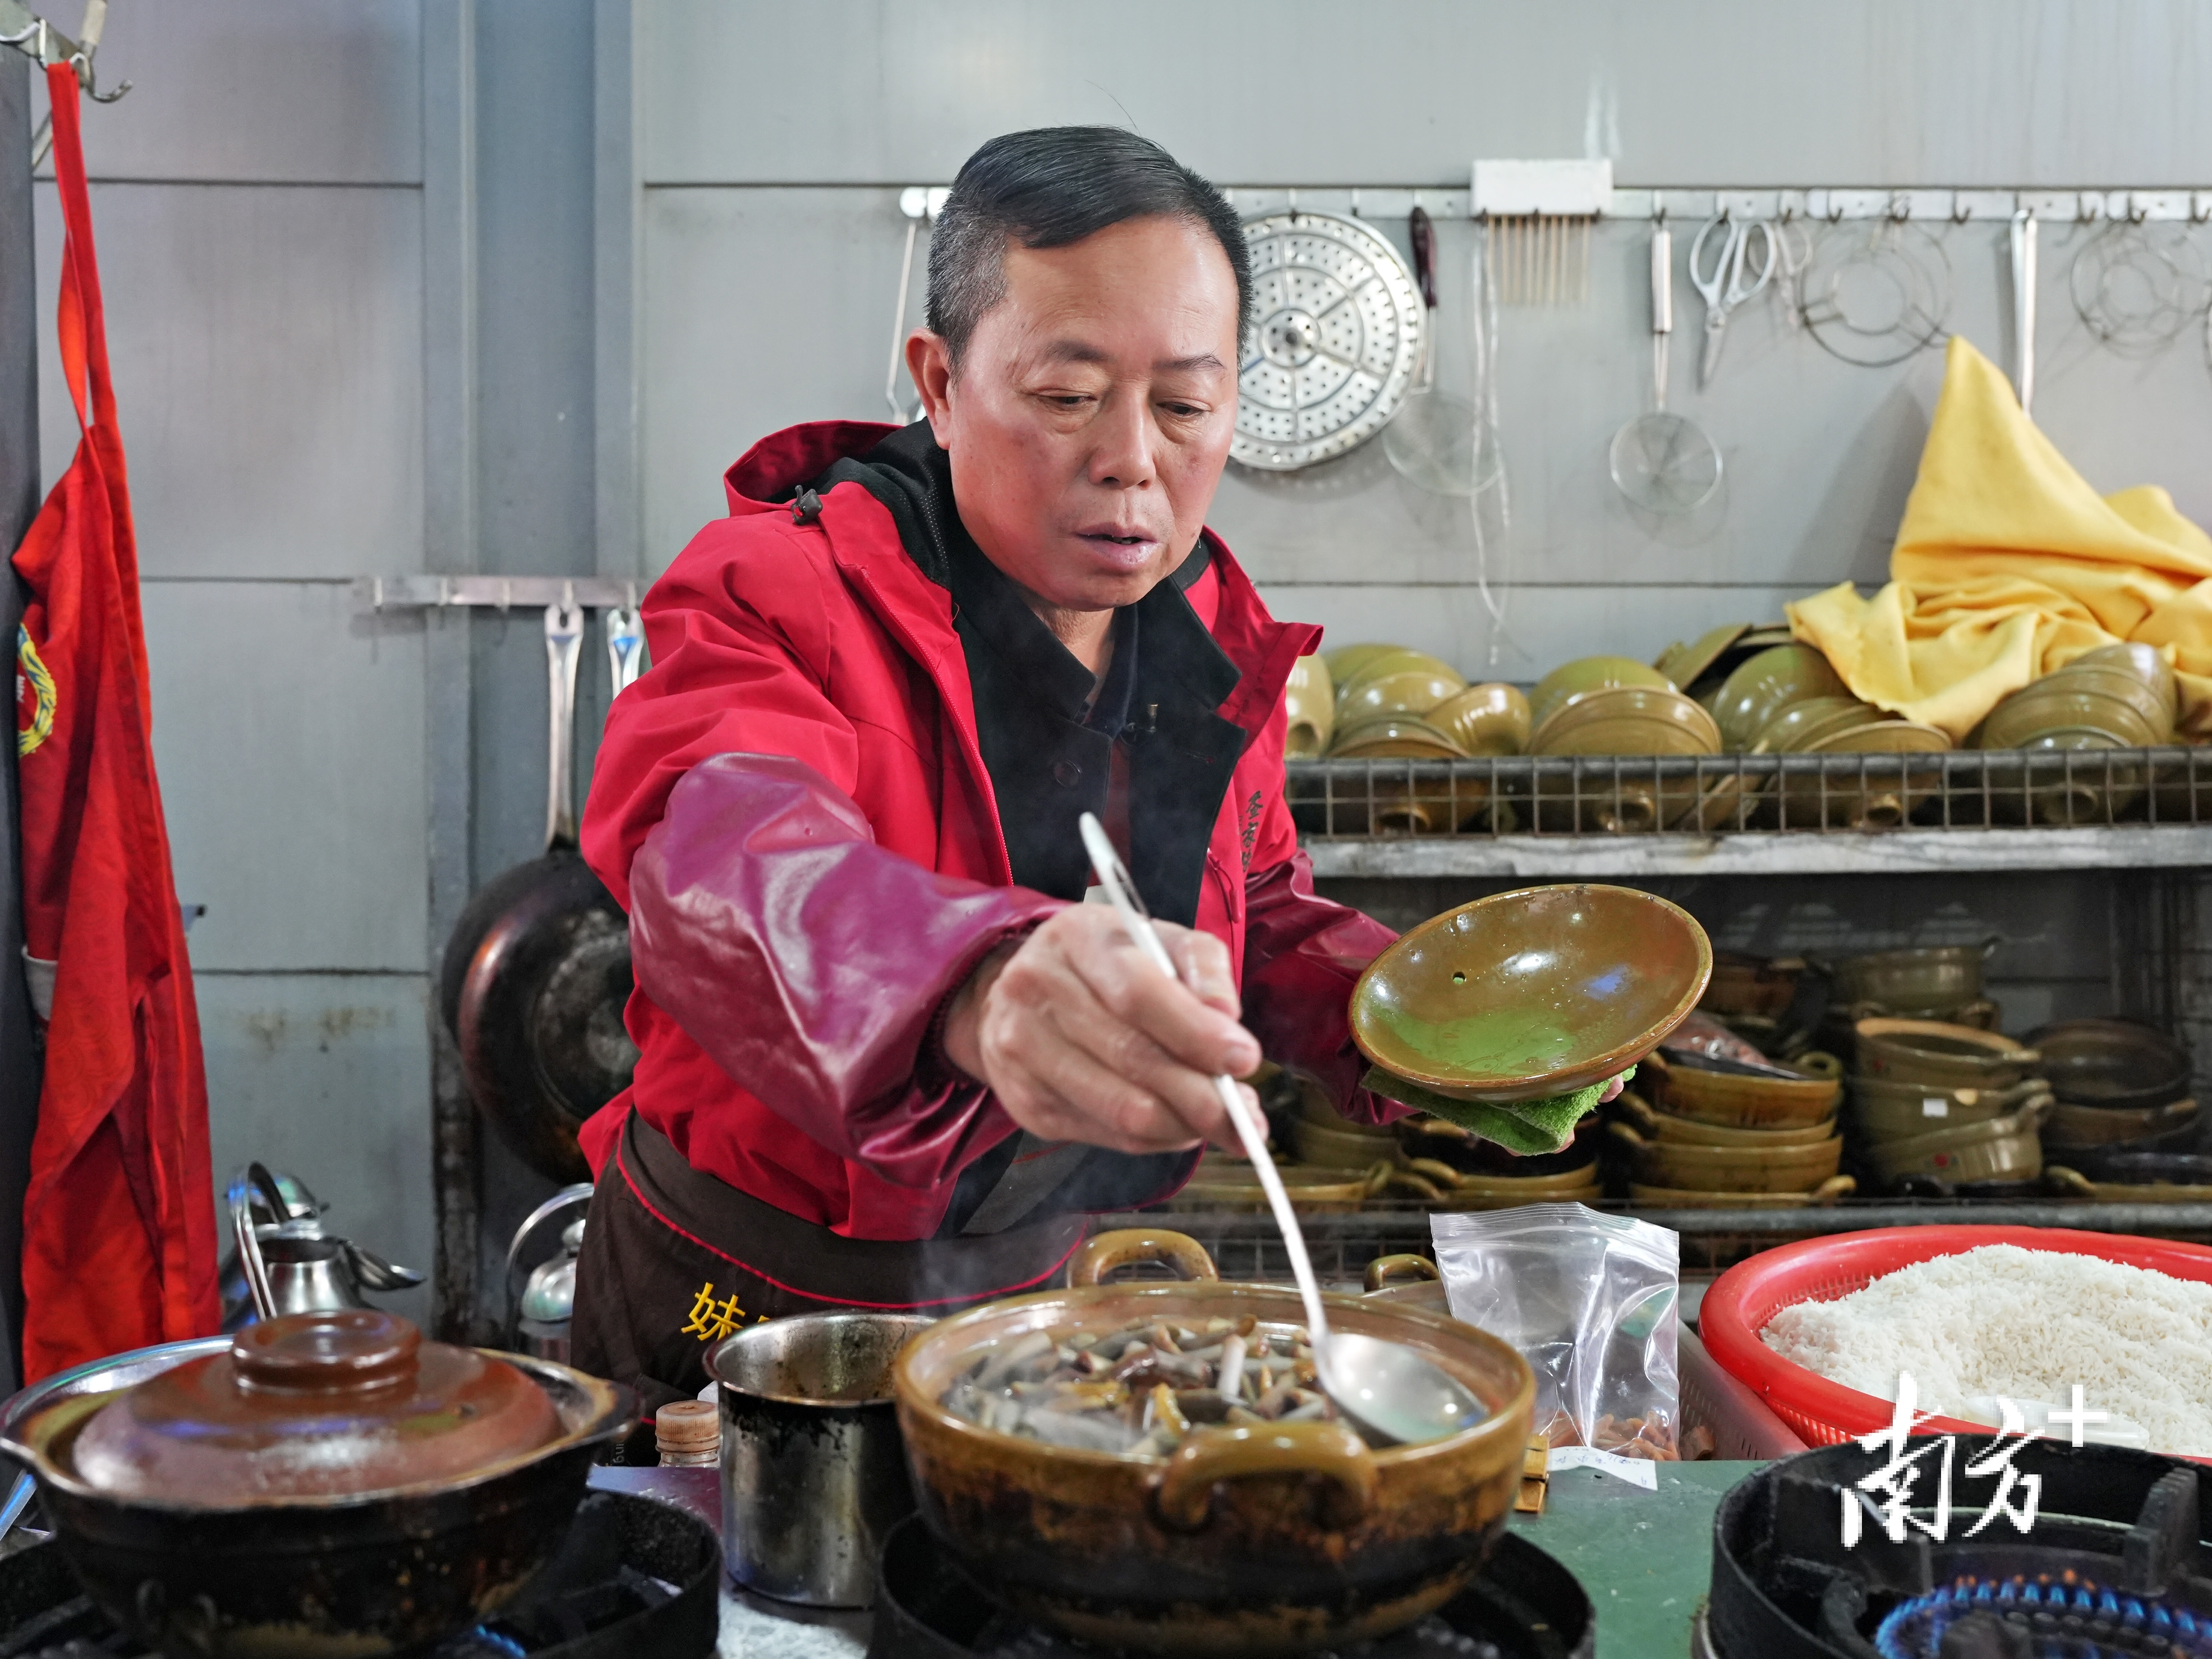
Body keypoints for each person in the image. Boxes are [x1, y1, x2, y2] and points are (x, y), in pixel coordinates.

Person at [569, 127, 1403, 1416]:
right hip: (739, 1291)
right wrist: (972, 977)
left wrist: (1417, 1017)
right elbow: (724, 862)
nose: (1132, 457)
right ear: (942, 384)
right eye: (1069, 395)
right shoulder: (775, 593)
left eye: (1185, 406)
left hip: (1028, 1291)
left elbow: (1253, 901)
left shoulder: (1200, 638)